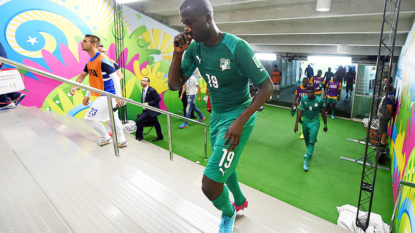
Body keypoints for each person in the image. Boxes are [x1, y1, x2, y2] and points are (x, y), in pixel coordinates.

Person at [168, 0, 273, 231]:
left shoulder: (237, 47)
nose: (186, 29)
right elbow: (175, 85)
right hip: (216, 115)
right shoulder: (194, 48)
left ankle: (229, 212)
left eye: (190, 22)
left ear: (207, 17)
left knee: (211, 184)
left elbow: (267, 87)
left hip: (237, 117)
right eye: (183, 23)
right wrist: (177, 54)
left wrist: (239, 121)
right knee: (225, 163)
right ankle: (240, 199)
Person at [69, 34, 127, 148]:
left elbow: (117, 77)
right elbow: (85, 77)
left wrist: (118, 96)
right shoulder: (90, 62)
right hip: (103, 95)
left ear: (93, 45)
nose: (81, 43)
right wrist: (77, 87)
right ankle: (122, 140)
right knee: (112, 119)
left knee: (89, 118)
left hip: (107, 95)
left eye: (85, 41)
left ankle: (106, 137)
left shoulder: (104, 60)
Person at [294, 86, 327, 171]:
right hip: (305, 122)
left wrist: (325, 125)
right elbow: (300, 111)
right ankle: (309, 152)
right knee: (306, 139)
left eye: (310, 93)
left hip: (315, 123)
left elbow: (323, 113)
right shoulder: (304, 99)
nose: (308, 94)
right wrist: (296, 124)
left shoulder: (319, 100)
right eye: (307, 93)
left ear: (314, 92)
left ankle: (306, 161)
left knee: (311, 142)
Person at [135, 77, 164, 142]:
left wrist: (148, 103)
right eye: (141, 80)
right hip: (147, 110)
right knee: (156, 123)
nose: (142, 81)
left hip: (151, 110)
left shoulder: (152, 90)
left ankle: (139, 136)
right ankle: (160, 136)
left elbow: (158, 99)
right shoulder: (144, 89)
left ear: (148, 83)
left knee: (139, 120)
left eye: (144, 81)